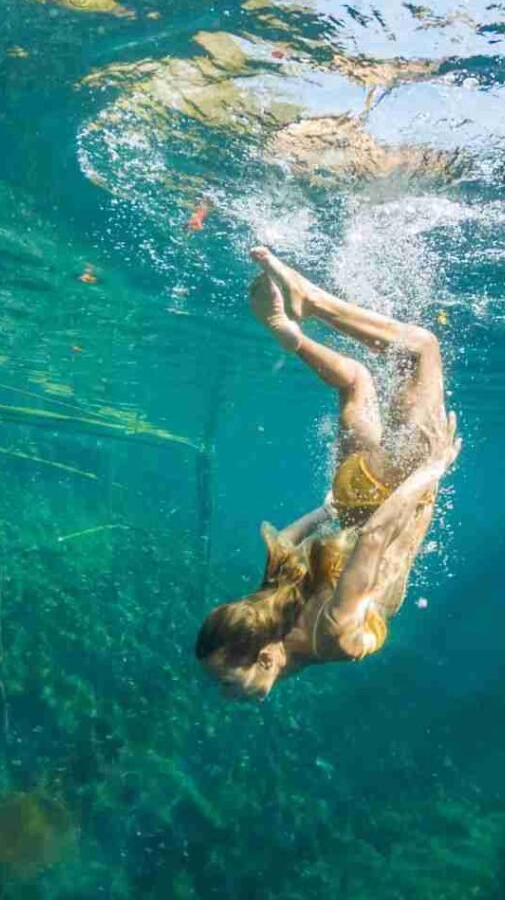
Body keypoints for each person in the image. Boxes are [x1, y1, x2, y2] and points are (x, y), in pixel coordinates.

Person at [195, 246, 461, 700]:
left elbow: (377, 537)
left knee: (420, 350)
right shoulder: (271, 608)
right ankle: (291, 336)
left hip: (392, 493)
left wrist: (432, 469)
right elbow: (284, 539)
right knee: (355, 380)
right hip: (353, 494)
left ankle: (311, 300)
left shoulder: (336, 638)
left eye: (227, 682)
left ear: (265, 658)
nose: (225, 694)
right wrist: (327, 509)